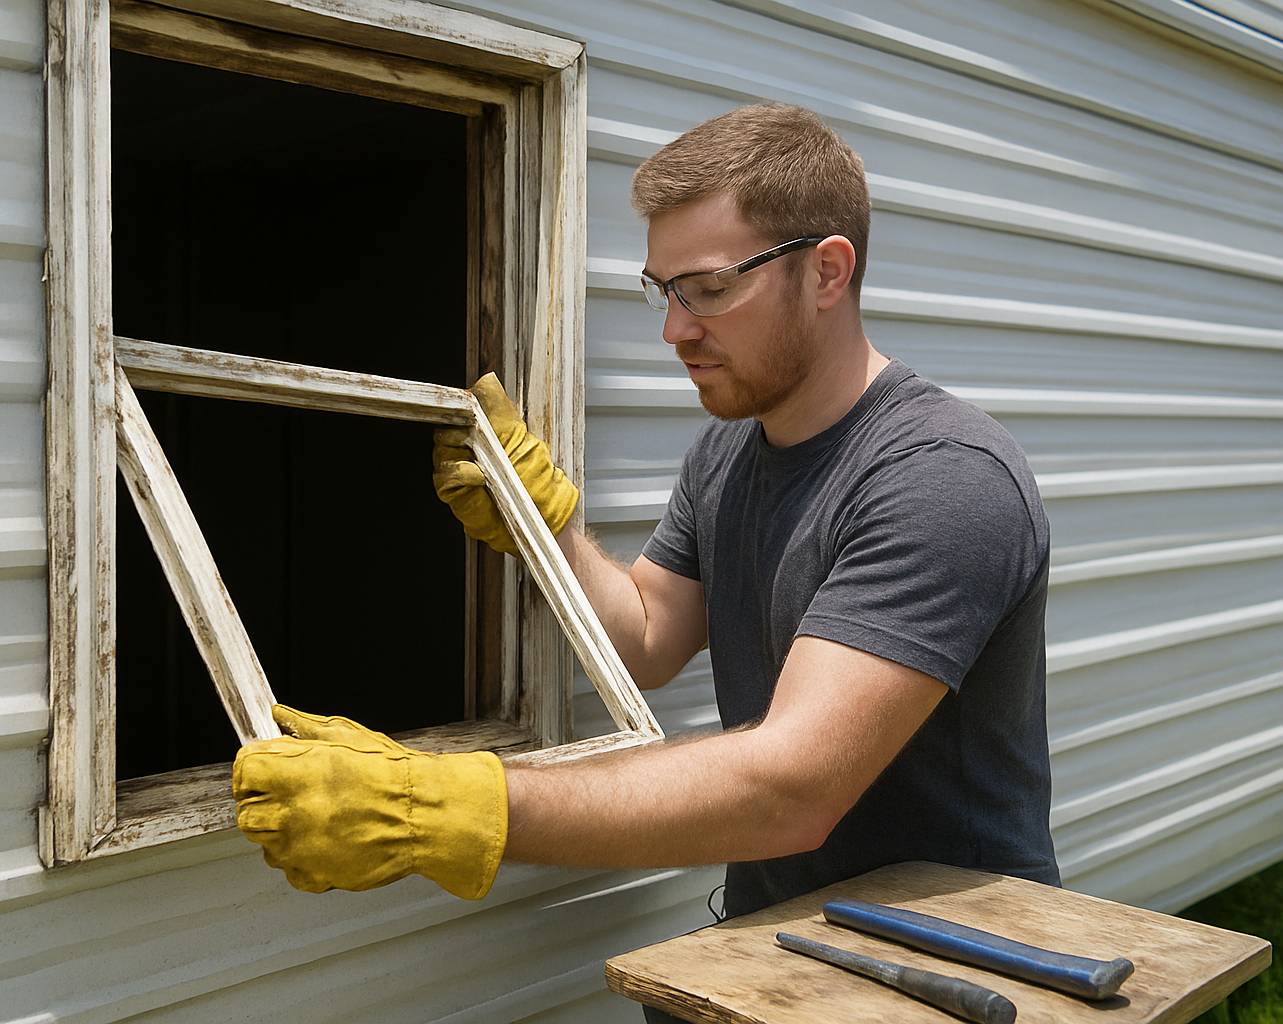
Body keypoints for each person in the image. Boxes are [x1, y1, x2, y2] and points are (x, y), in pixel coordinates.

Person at [232, 104, 1058, 963]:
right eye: (664, 290)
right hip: (786, 950)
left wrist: (444, 810)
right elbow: (650, 640)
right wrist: (544, 532)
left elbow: (796, 787)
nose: (675, 330)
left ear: (826, 271)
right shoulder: (728, 453)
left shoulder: (943, 476)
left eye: (708, 289)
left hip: (964, 962)